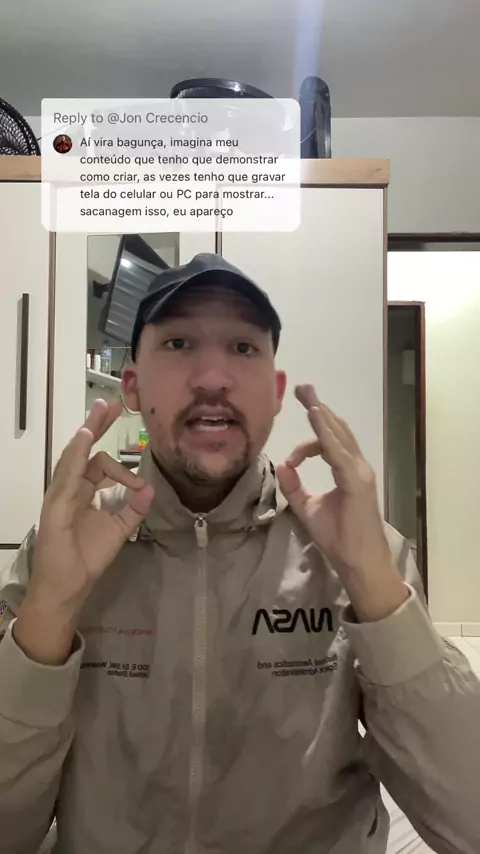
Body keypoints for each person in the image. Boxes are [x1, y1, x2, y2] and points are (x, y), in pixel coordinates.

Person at [0, 252, 479, 854]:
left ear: (276, 394)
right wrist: (47, 616)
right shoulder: (63, 551)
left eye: (243, 348)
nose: (212, 378)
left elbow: (468, 822)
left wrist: (377, 591)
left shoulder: (358, 552)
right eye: (178, 343)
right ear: (132, 386)